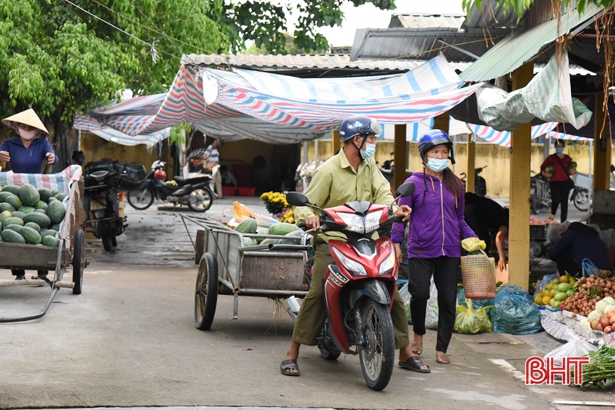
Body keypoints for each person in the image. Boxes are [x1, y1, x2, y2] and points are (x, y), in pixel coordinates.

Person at [281, 115, 426, 376]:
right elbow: (304, 204)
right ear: (356, 140)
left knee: (390, 285)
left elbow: (384, 196)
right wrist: (310, 217)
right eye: (371, 139)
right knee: (318, 292)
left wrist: (396, 208)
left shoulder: (370, 167)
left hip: (366, 240)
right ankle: (292, 353)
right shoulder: (329, 170)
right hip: (333, 242)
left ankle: (405, 353)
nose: (374, 143)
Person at [391, 130, 478, 365]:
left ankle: (442, 348)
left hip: (449, 251)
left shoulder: (455, 184)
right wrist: (396, 243)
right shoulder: (413, 184)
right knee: (419, 294)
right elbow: (401, 217)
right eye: (435, 152)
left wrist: (474, 240)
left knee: (448, 300)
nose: (441, 155)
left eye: (444, 151)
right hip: (420, 249)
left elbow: (459, 219)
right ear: (425, 156)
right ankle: (418, 335)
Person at [0, 108, 58, 282]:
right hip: (14, 190)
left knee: (37, 224)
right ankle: (19, 273)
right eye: (22, 125)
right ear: (16, 126)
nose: (26, 128)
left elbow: (52, 154)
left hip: (37, 190)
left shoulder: (42, 144)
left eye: (29, 126)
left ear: (37, 130)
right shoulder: (9, 143)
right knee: (15, 229)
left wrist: (51, 156)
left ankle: (42, 271)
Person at [464, 192, 510, 272]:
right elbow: (499, 237)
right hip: (472, 209)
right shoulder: (505, 220)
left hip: (468, 205)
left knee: (473, 239)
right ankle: (480, 271)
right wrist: (502, 258)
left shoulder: (498, 211)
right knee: (483, 241)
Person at [548, 222, 613, 277]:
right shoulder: (597, 239)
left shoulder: (572, 233)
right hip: (607, 274)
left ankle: (565, 281)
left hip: (585, 274)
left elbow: (552, 252)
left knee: (561, 253)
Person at [540, 139, 576, 222]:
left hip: (565, 182)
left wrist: (573, 171)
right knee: (555, 199)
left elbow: (571, 169)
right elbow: (543, 167)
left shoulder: (568, 158)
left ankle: (563, 220)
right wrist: (545, 174)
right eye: (557, 146)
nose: (559, 148)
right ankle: (553, 214)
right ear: (555, 147)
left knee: (564, 202)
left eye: (560, 146)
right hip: (554, 182)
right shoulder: (551, 158)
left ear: (563, 147)